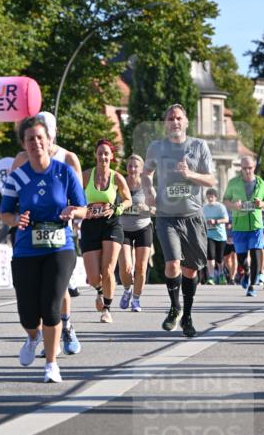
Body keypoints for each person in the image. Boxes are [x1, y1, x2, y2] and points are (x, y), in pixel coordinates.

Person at [0, 115, 87, 383]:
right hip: (26, 248)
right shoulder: (18, 177)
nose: (36, 143)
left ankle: (51, 364)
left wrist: (74, 211)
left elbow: (83, 207)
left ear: (50, 141)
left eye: (40, 138)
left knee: (51, 307)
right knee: (28, 312)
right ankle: (32, 336)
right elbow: (5, 213)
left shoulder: (64, 172)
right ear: (24, 145)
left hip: (60, 246)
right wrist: (17, 220)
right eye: (30, 139)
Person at [142, 104, 215, 337]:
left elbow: (211, 180)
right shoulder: (157, 148)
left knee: (191, 269)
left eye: (179, 118)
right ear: (166, 123)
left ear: (186, 122)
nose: (175, 122)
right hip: (167, 215)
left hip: (193, 216)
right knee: (173, 263)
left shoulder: (199, 146)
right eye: (171, 118)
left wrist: (190, 175)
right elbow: (146, 173)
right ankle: (175, 308)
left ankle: (188, 316)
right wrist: (149, 192)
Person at [80, 139, 130, 323]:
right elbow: (73, 195)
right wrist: (83, 209)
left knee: (108, 269)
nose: (103, 156)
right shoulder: (86, 176)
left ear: (111, 156)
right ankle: (100, 290)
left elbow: (128, 200)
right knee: (94, 276)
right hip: (90, 224)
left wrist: (116, 208)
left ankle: (107, 309)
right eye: (100, 153)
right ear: (95, 155)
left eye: (106, 153)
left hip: (111, 223)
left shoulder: (117, 177)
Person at [223, 156, 264, 299]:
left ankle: (252, 286)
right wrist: (233, 206)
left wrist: (261, 204)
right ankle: (247, 273)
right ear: (241, 168)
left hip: (256, 225)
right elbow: (225, 200)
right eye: (244, 168)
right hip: (239, 226)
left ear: (254, 166)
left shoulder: (261, 183)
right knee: (242, 258)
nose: (247, 171)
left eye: (250, 168)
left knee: (255, 255)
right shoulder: (233, 183)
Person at [118, 153, 154, 309]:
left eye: (136, 166)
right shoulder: (120, 184)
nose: (132, 169)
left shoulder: (147, 186)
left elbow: (156, 209)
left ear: (141, 169)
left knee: (141, 267)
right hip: (123, 229)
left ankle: (136, 299)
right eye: (130, 166)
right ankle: (127, 290)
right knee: (126, 266)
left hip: (143, 227)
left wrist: (147, 208)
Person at [202, 188, 229, 285]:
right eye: (208, 196)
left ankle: (222, 274)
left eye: (212, 196)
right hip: (209, 235)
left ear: (216, 197)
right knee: (210, 256)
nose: (210, 198)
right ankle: (211, 276)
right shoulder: (204, 207)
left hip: (220, 236)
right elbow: (200, 220)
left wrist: (216, 221)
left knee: (219, 258)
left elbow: (226, 219)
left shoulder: (220, 207)